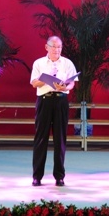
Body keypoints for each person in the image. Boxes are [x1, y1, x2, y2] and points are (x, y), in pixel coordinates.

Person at [29, 35, 78, 187]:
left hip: (61, 101)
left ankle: (59, 176)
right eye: (54, 47)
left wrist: (65, 87)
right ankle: (37, 176)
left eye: (59, 47)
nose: (57, 50)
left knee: (60, 139)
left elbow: (72, 83)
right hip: (44, 100)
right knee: (41, 138)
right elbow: (34, 83)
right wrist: (46, 79)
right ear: (47, 47)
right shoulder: (39, 63)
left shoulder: (67, 63)